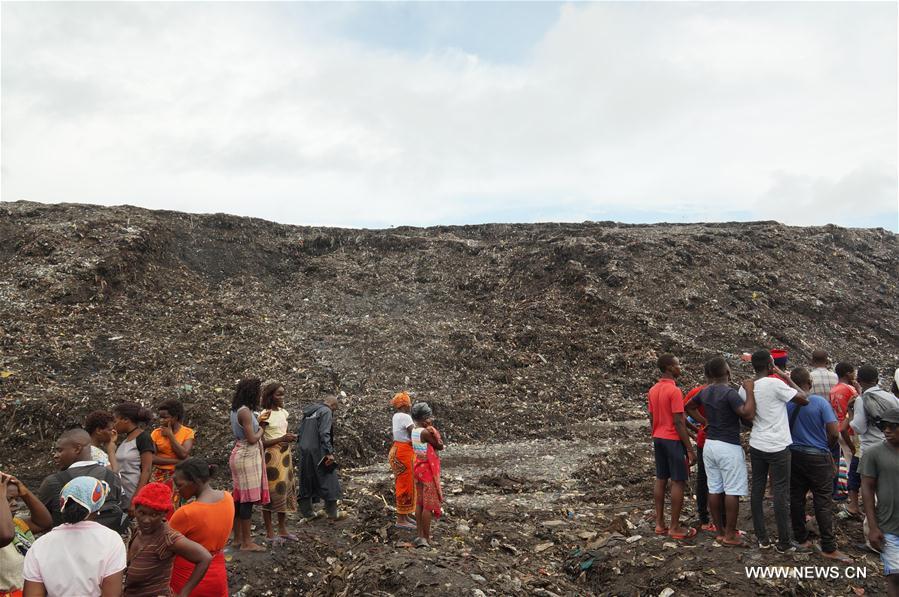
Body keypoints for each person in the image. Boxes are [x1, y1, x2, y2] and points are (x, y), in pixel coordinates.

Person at [685, 357, 756, 546]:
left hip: (710, 445)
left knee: (714, 487)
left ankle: (720, 531)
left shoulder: (705, 392)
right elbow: (747, 414)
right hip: (728, 446)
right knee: (732, 490)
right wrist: (749, 390)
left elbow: (688, 407)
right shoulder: (729, 393)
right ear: (727, 372)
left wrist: (704, 421)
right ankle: (730, 535)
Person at [744, 349, 808, 552]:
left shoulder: (746, 386)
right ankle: (784, 542)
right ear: (770, 364)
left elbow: (745, 416)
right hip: (778, 446)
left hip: (757, 443)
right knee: (780, 492)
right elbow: (804, 398)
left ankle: (762, 539)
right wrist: (783, 376)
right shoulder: (776, 383)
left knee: (757, 488)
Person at [22, 476, 126, 597]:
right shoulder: (111, 540)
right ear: (99, 505)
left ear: (63, 505)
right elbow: (111, 594)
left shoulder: (40, 545)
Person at [786, 368, 850, 562]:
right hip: (817, 457)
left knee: (796, 497)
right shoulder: (820, 402)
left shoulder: (787, 403)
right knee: (822, 501)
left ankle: (801, 539)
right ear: (810, 382)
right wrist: (827, 449)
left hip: (794, 455)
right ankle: (829, 547)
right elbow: (833, 432)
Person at [125, 482, 211, 597]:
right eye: (142, 513)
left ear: (164, 514)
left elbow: (205, 558)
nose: (146, 520)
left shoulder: (168, 538)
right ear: (135, 509)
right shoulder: (137, 530)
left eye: (154, 515)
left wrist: (184, 594)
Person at [35, 429, 125, 532]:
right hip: (106, 542)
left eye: (59, 450)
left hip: (67, 544)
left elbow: (39, 520)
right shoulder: (112, 476)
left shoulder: (53, 482)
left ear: (77, 449)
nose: (55, 455)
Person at [648, 353, 696, 540]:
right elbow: (677, 421)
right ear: (669, 368)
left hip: (658, 437)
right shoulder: (675, 391)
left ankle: (660, 524)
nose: (680, 367)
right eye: (677, 364)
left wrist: (693, 430)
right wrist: (690, 448)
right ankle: (674, 527)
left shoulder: (653, 390)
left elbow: (654, 417)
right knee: (678, 481)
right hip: (672, 440)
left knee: (661, 478)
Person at [170, 458, 234, 597]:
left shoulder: (186, 513)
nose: (177, 491)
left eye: (179, 485)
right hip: (218, 575)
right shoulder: (228, 497)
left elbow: (166, 545)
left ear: (195, 482)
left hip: (188, 579)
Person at [860, 407, 899, 597]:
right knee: (894, 577)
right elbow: (867, 488)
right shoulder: (874, 453)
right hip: (889, 528)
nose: (887, 431)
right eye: (883, 426)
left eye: (892, 426)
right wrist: (873, 527)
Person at [229, 378, 269, 552]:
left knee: (239, 499)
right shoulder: (245, 412)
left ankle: (237, 539)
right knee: (247, 500)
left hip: (240, 454)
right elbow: (252, 438)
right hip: (246, 455)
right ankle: (247, 542)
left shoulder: (237, 410)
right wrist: (262, 428)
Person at [258, 381, 298, 544]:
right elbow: (260, 442)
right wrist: (281, 438)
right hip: (271, 458)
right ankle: (269, 532)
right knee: (271, 494)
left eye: (283, 393)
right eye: (278, 394)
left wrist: (288, 436)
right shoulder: (264, 415)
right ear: (270, 396)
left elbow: (281, 432)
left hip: (285, 456)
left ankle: (282, 529)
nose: (282, 397)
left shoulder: (283, 413)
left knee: (285, 491)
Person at [0, 472, 52, 597]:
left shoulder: (16, 524)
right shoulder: (5, 531)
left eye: (16, 499)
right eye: (8, 499)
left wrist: (25, 492)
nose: (15, 504)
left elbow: (43, 522)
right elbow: (6, 536)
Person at [297, 395, 344, 522]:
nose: (333, 412)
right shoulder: (326, 411)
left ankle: (308, 513)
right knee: (329, 478)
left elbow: (300, 431)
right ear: (332, 405)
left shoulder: (309, 412)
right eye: (335, 409)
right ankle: (332, 512)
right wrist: (329, 452)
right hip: (319, 450)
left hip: (304, 449)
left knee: (306, 478)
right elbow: (324, 432)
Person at [411, 402, 444, 548]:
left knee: (419, 503)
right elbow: (439, 445)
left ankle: (419, 535)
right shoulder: (425, 432)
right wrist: (432, 429)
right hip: (427, 471)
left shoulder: (414, 430)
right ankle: (426, 538)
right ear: (424, 418)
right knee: (428, 506)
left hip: (418, 468)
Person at [850, 366, 899, 466]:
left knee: (867, 481)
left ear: (858, 380)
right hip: (892, 449)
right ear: (877, 380)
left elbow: (859, 429)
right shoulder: (892, 398)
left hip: (870, 450)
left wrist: (850, 412)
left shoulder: (861, 399)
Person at [151, 399, 195, 509]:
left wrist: (170, 436)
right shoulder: (156, 433)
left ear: (175, 417)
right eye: (160, 417)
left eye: (165, 417)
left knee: (173, 505)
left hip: (178, 474)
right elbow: (151, 458)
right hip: (158, 475)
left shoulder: (187, 433)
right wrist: (177, 461)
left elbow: (183, 454)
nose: (161, 420)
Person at [831, 362, 862, 514]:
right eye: (853, 372)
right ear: (848, 374)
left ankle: (852, 498)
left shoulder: (833, 390)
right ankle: (860, 498)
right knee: (857, 466)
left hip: (839, 429)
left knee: (850, 464)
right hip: (850, 431)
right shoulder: (851, 389)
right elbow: (860, 406)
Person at [682, 384, 711, 531]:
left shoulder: (697, 391)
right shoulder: (726, 391)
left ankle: (704, 519)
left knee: (703, 478)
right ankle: (722, 523)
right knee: (720, 482)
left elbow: (684, 409)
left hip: (703, 439)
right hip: (721, 440)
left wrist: (699, 426)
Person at [389, 391, 416, 530]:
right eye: (409, 404)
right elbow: (414, 433)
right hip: (403, 453)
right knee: (405, 485)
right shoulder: (406, 417)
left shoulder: (396, 416)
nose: (411, 406)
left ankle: (405, 516)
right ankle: (401, 519)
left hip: (396, 450)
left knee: (402, 482)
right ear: (405, 405)